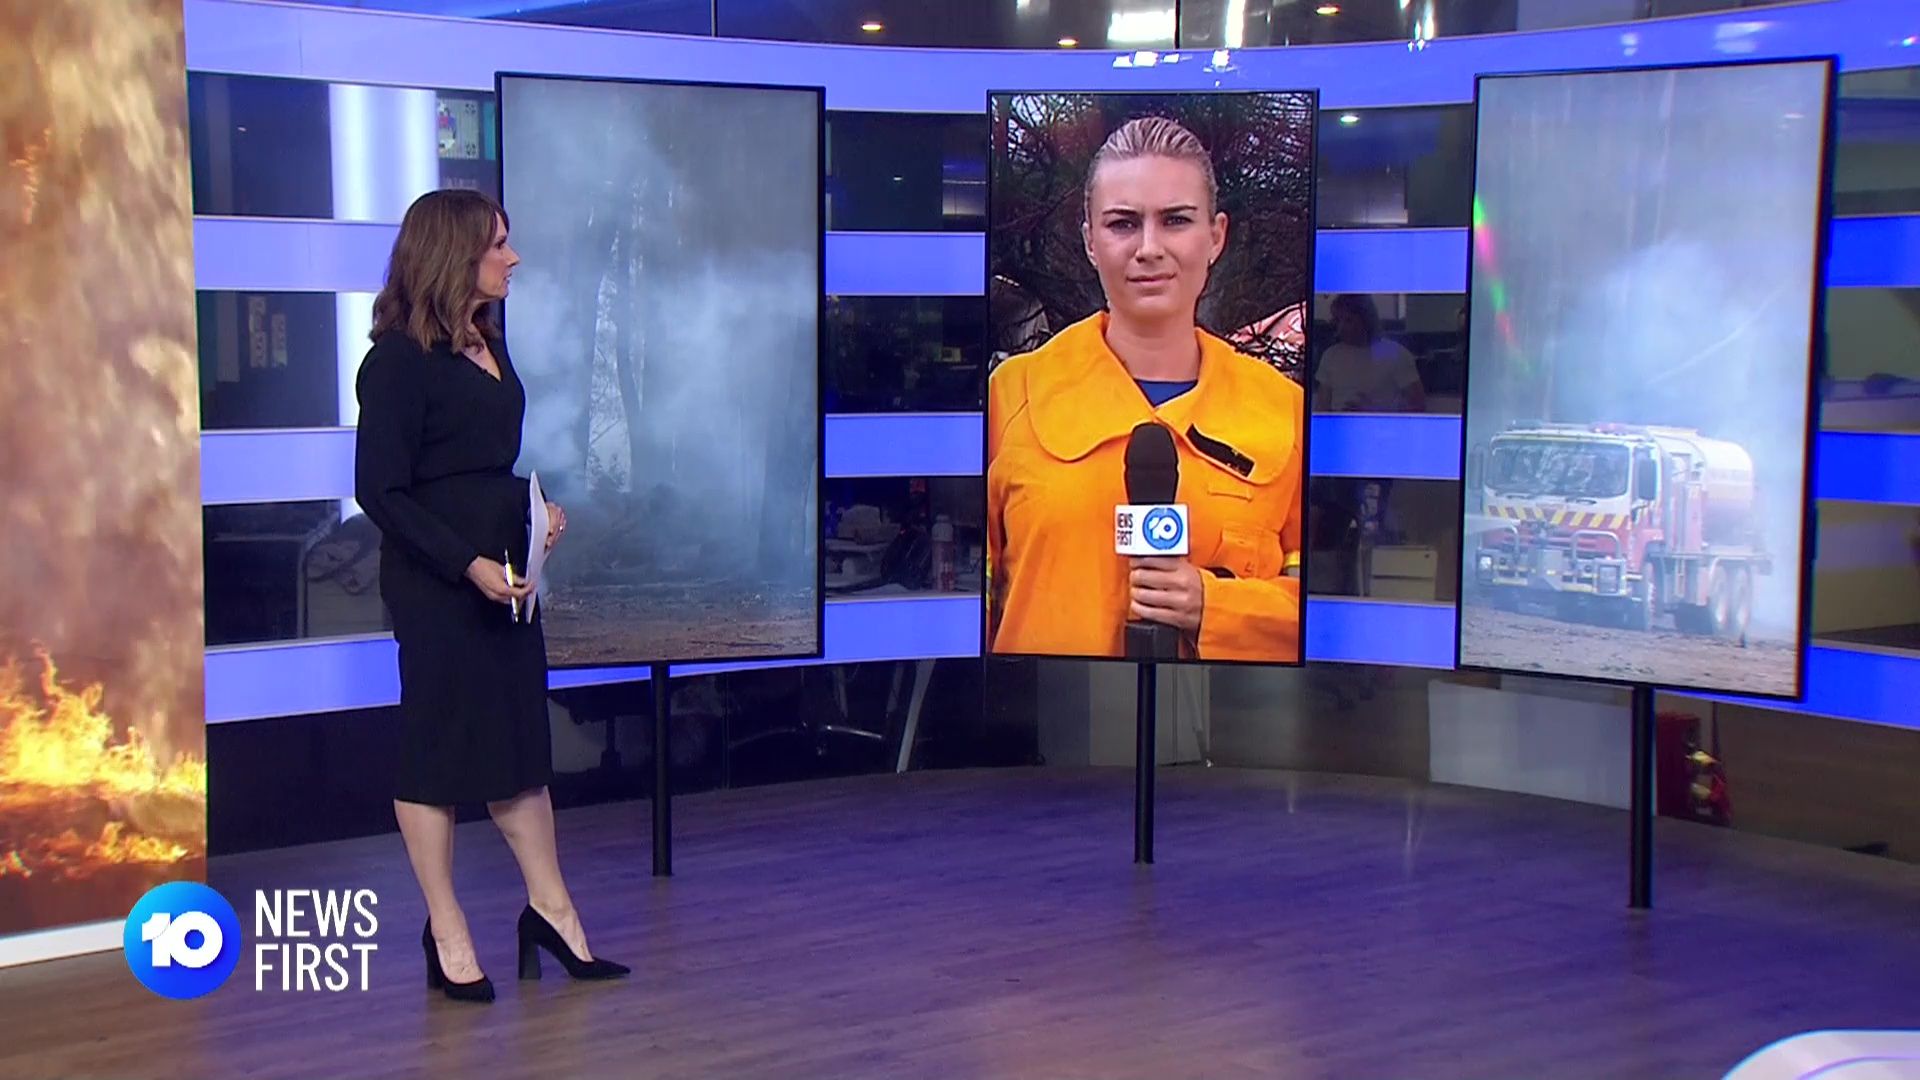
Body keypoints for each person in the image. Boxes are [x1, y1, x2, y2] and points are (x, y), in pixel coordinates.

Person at [354, 189, 628, 1004]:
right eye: (497, 244)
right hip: (438, 583)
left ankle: (553, 914)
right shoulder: (397, 363)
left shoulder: (488, 340)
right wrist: (465, 562)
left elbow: (480, 466)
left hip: (508, 577)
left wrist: (536, 515)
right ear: (454, 254)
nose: (513, 258)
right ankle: (447, 931)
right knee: (437, 753)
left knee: (518, 747)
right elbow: (382, 491)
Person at [986, 116, 1306, 662]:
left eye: (1176, 220)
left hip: (1225, 715)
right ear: (1090, 241)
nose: (1149, 248)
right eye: (1123, 224)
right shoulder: (1012, 397)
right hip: (1041, 714)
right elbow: (961, 600)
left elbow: (1328, 615)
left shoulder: (1285, 412)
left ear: (1216, 236)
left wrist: (1215, 606)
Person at [1314, 293, 1426, 413]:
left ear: (1366, 320)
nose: (1341, 328)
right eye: (1337, 320)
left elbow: (1418, 406)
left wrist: (1374, 411)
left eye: (1348, 320)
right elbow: (1322, 407)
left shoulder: (1395, 353)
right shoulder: (1330, 355)